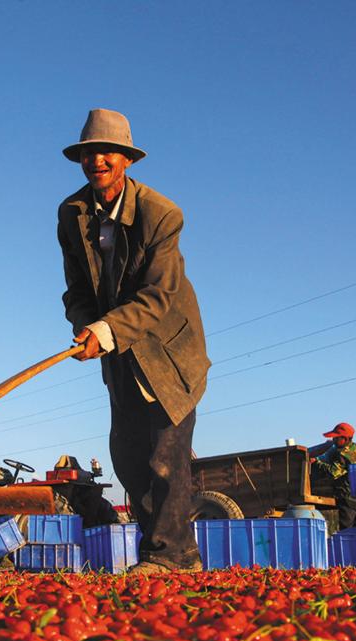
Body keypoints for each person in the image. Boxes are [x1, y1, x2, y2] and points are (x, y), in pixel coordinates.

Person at [57, 109, 211, 573]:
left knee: (167, 457)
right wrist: (86, 325)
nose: (97, 160)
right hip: (118, 349)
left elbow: (158, 294)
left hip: (167, 350)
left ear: (126, 159)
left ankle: (167, 556)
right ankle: (176, 553)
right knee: (126, 457)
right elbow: (76, 289)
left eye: (108, 152)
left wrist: (105, 330)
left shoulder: (161, 213)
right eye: (89, 153)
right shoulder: (72, 213)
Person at [311, 422, 356, 530]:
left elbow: (333, 473)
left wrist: (316, 463)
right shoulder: (354, 447)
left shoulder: (343, 455)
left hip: (347, 497)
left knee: (347, 530)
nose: (333, 440)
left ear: (345, 438)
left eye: (336, 438)